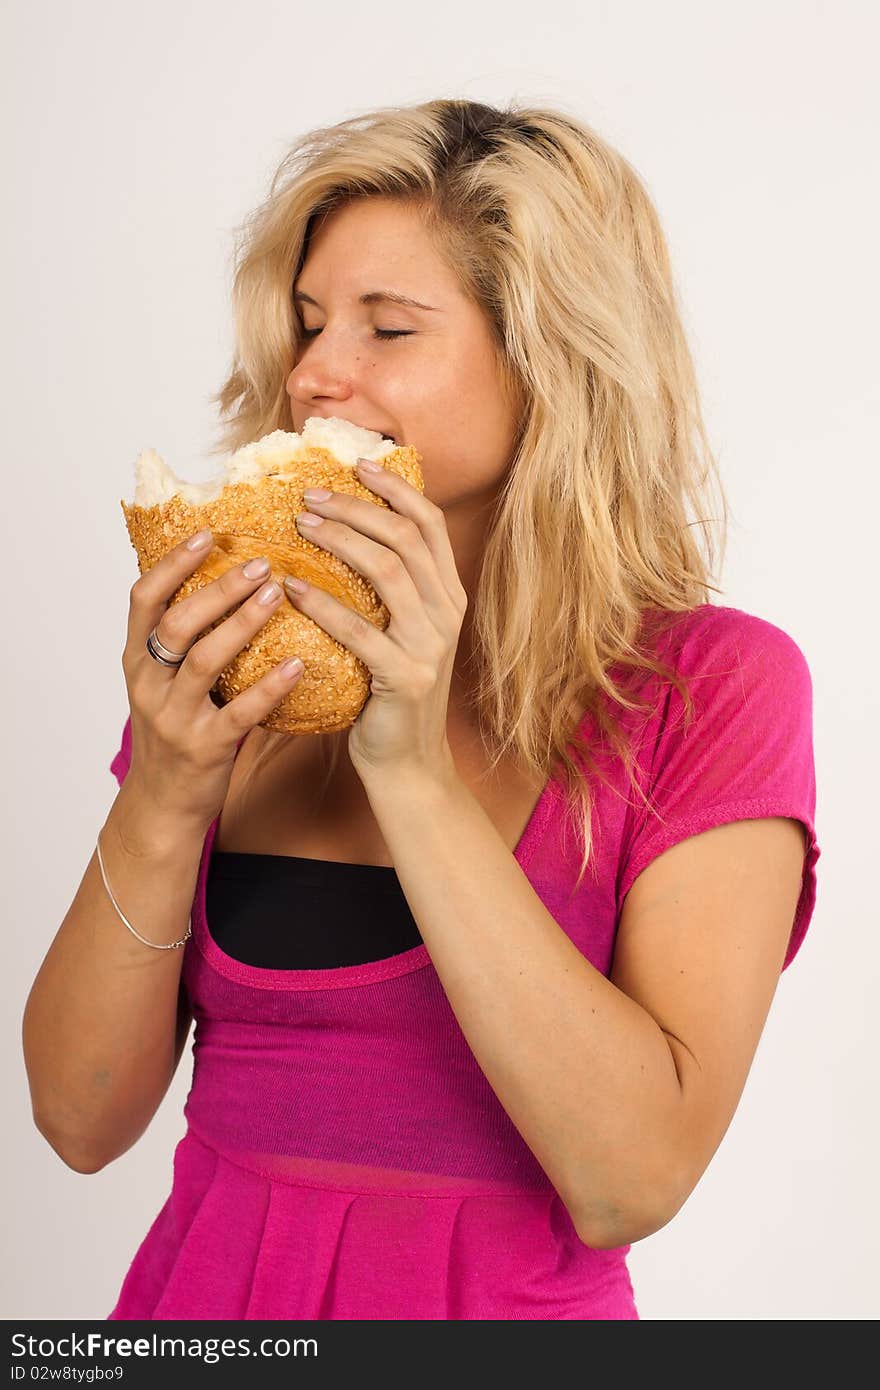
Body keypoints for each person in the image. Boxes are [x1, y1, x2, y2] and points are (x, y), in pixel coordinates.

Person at [22, 98, 820, 1321]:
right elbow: (77, 1122)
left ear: (555, 357)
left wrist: (409, 768)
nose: (312, 374)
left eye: (388, 327)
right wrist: (169, 783)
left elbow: (628, 1179)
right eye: (307, 323)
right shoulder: (241, 656)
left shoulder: (708, 687)